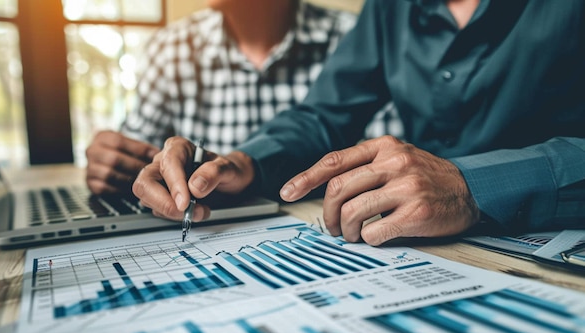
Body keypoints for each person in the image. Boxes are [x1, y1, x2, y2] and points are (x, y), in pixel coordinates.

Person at [133, 0, 585, 246]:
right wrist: (244, 162)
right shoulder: (389, 8)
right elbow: (324, 114)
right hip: (429, 248)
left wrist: (470, 184)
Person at [85, 0, 401, 195]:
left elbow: (386, 164)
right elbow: (138, 154)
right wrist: (114, 162)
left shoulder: (357, 40)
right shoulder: (171, 47)